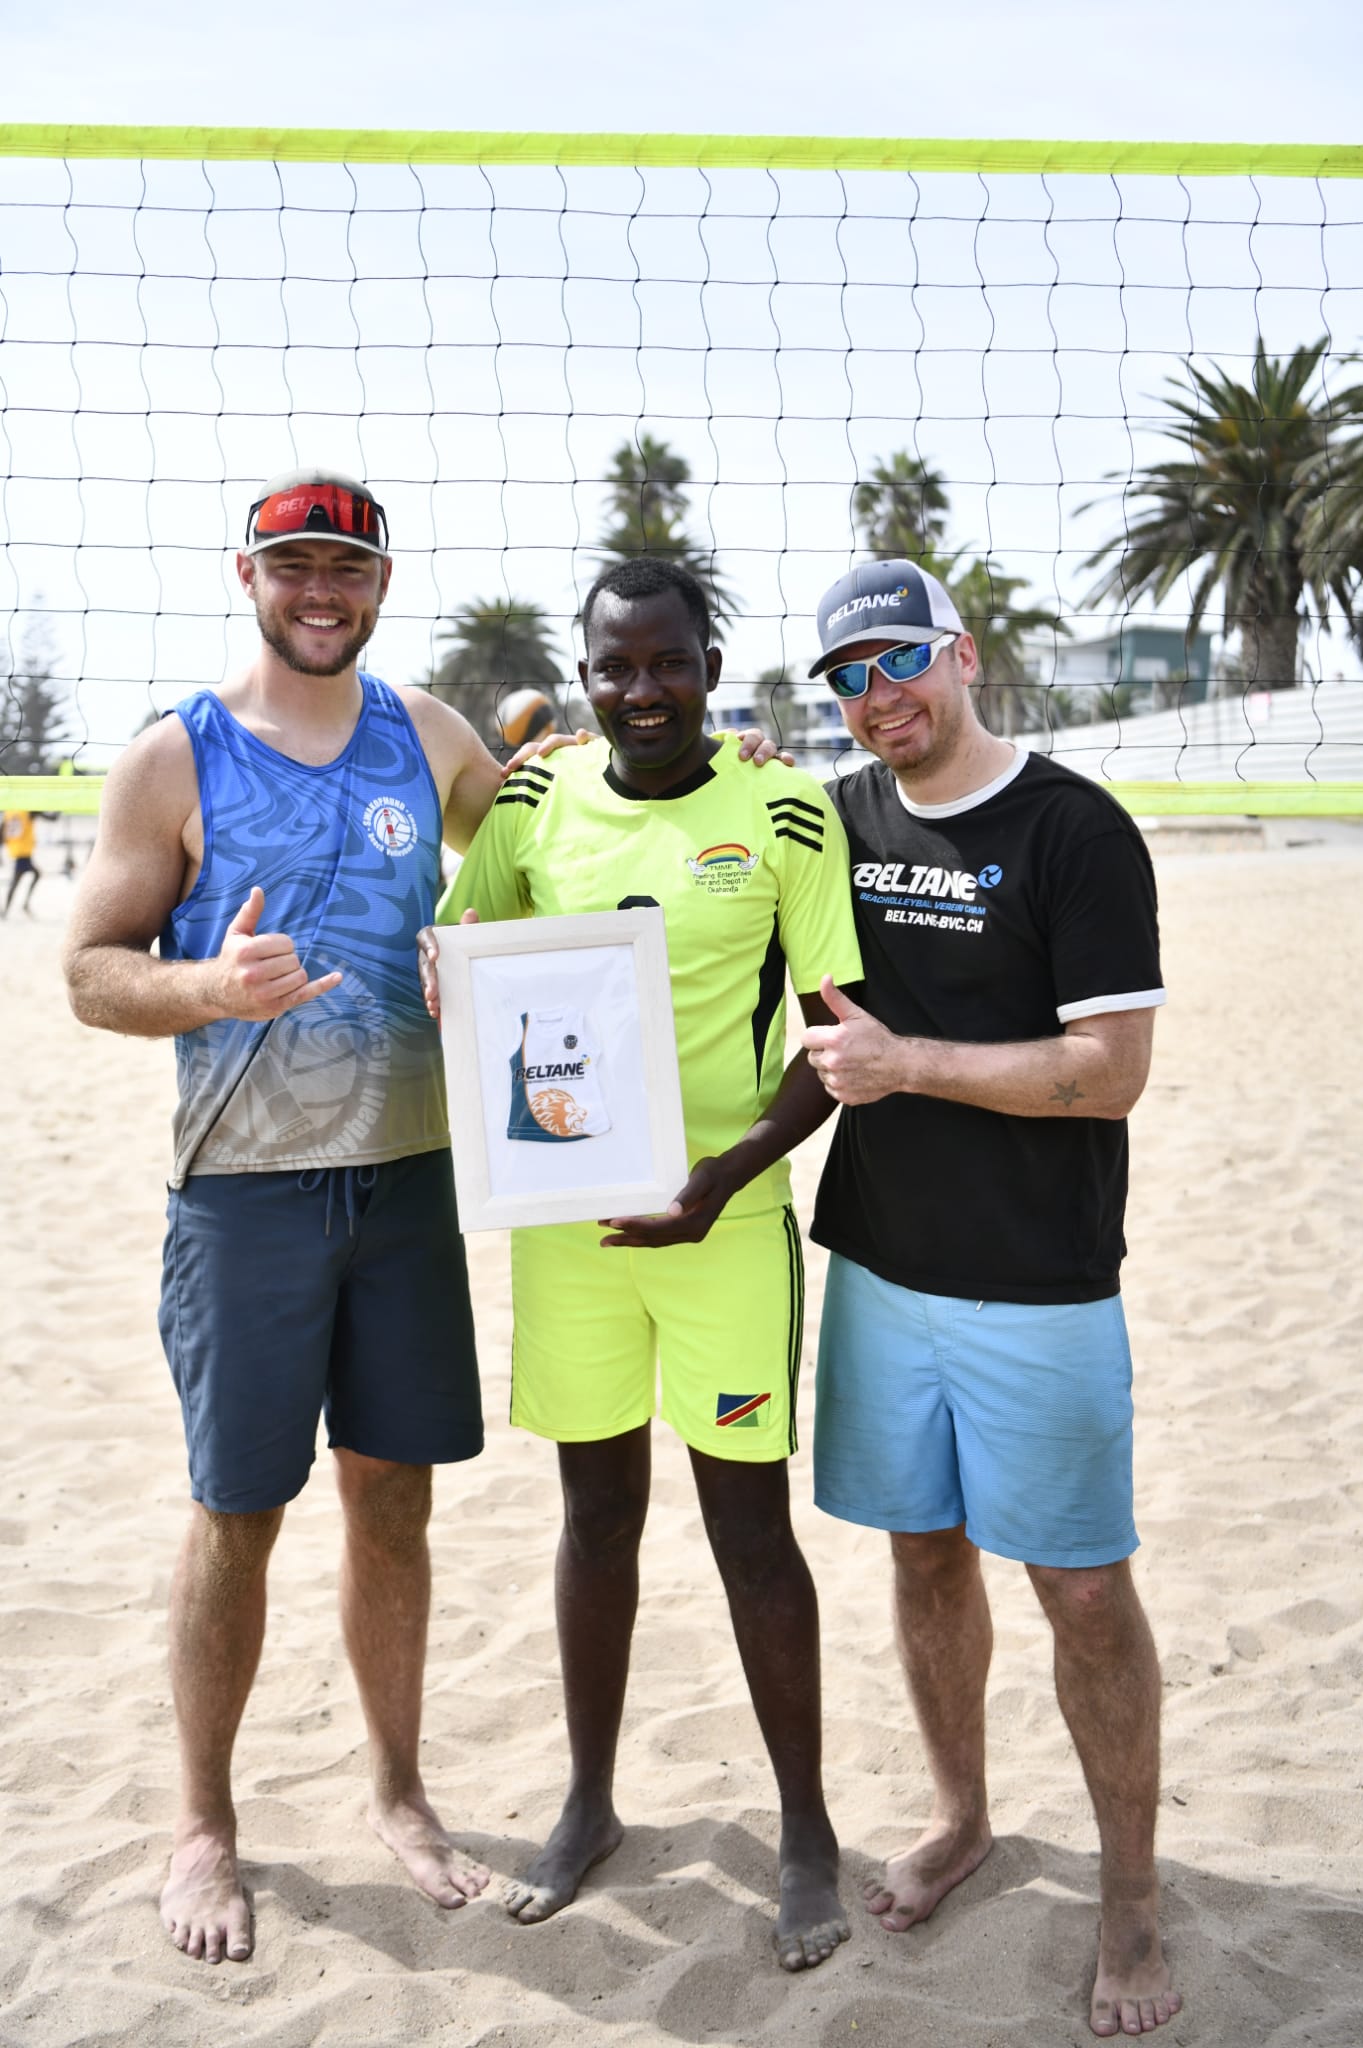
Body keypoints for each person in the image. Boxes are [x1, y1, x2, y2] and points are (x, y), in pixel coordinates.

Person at [61, 470, 509, 1967]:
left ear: (383, 582)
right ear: (246, 574)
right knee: (235, 1515)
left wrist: (720, 759)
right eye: (294, 565)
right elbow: (89, 972)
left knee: (394, 1499)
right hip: (241, 1197)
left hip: (407, 1181)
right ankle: (204, 1825)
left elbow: (560, 848)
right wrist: (204, 986)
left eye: (348, 567)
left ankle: (398, 1790)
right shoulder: (168, 762)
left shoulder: (428, 737)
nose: (322, 590)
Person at [418, 557, 865, 1972]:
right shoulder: (538, 800)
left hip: (722, 1224)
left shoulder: (782, 810)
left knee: (748, 1536)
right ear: (587, 670)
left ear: (708, 667)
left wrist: (724, 1176)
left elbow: (833, 1039)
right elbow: (471, 946)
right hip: (572, 1233)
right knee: (594, 1515)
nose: (641, 690)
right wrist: (448, 974)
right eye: (615, 666)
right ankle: (590, 1802)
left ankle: (804, 1832)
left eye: (667, 663)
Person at [798, 561, 1181, 2040]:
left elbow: (1110, 1075)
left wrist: (915, 1067)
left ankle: (1131, 1892)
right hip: (883, 1266)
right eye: (846, 676)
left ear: (959, 652)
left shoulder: (1072, 828)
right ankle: (961, 1817)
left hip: (1040, 1283)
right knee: (921, 1555)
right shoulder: (832, 820)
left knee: (1082, 1588)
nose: (877, 696)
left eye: (898, 662)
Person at [2, 808, 41, 915]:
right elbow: (51, 818)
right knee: (16, 882)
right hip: (23, 853)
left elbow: (1, 835)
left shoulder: (8, 812)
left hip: (15, 852)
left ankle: (10, 908)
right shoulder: (28, 811)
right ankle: (11, 908)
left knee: (34, 875)